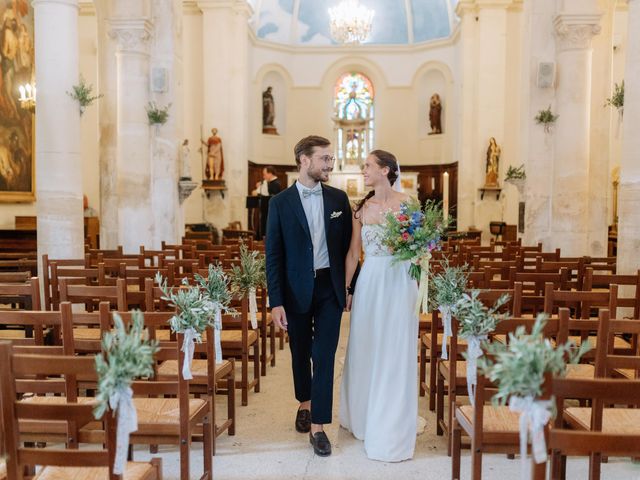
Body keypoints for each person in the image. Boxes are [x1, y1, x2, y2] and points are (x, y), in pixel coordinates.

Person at [266, 135, 354, 457]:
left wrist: (348, 288)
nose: (330, 164)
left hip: (329, 289)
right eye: (324, 159)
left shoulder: (338, 200)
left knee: (325, 353)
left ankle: (318, 426)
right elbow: (273, 256)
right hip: (295, 290)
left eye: (331, 159)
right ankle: (304, 401)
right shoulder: (279, 203)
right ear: (304, 160)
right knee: (300, 352)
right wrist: (276, 301)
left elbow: (348, 250)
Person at [339, 149, 419, 462]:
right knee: (366, 345)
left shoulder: (409, 204)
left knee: (395, 348)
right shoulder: (360, 208)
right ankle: (363, 415)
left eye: (368, 166)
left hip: (401, 281)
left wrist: (419, 285)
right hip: (371, 281)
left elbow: (419, 247)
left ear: (385, 170)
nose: (363, 171)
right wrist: (348, 288)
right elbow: (352, 253)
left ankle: (393, 421)